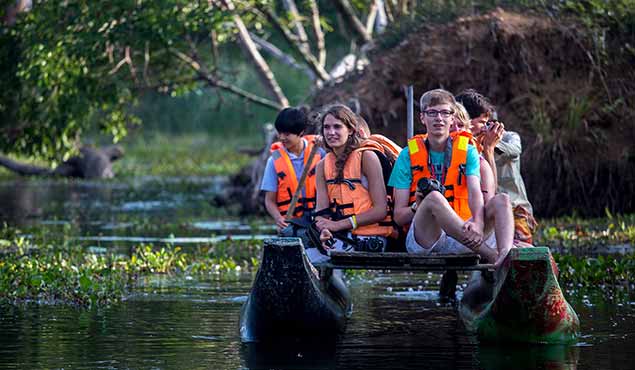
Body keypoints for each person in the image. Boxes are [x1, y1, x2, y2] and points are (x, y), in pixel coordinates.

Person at [389, 89, 510, 266]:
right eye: (432, 113)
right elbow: (399, 216)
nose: (439, 118)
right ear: (423, 118)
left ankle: (506, 256)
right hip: (427, 241)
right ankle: (493, 257)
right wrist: (418, 205)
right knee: (434, 197)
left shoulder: (468, 151)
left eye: (445, 112)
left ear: (452, 118)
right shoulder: (407, 156)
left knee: (502, 200)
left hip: (467, 236)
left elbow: (475, 191)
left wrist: (477, 222)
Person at [312, 104, 394, 263]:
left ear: (350, 130)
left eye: (337, 127)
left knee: (325, 260)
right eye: (326, 128)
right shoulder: (322, 165)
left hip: (371, 236)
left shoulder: (367, 157)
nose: (331, 132)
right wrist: (324, 229)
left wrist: (338, 225)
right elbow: (321, 213)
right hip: (341, 236)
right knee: (305, 256)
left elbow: (380, 211)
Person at [455, 89, 537, 244]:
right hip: (476, 211)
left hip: (514, 209)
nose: (488, 127)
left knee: (520, 254)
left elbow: (514, 151)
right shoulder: (461, 144)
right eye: (483, 122)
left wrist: (490, 146)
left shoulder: (509, 137)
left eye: (490, 122)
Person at [260, 107, 325, 232]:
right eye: (280, 133)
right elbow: (269, 200)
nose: (282, 137)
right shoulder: (273, 161)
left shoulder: (319, 153)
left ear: (301, 132)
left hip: (318, 220)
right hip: (292, 222)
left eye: (287, 134)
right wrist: (278, 218)